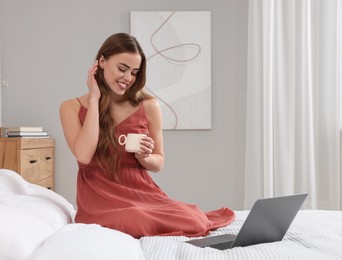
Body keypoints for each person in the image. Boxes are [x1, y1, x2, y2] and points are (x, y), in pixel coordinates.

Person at [59, 32, 235, 239]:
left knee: (194, 220)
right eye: (122, 69)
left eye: (134, 72)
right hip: (100, 198)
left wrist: (145, 157)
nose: (128, 78)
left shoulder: (149, 105)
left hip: (142, 193)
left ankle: (156, 217)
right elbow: (84, 155)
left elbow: (158, 163)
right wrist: (95, 99)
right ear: (102, 62)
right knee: (133, 217)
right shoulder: (70, 107)